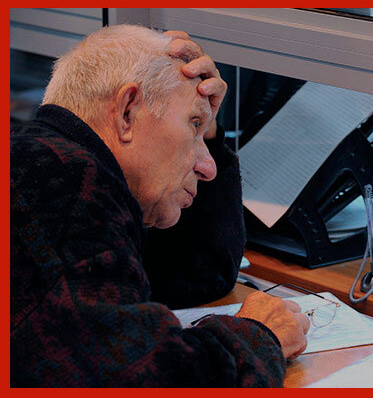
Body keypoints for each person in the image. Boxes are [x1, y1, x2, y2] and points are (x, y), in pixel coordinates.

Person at [10, 24, 309, 387]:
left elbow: (194, 279)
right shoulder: (63, 184)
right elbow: (148, 380)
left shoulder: (50, 166)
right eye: (193, 124)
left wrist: (209, 129)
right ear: (127, 112)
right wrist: (259, 336)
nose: (209, 167)